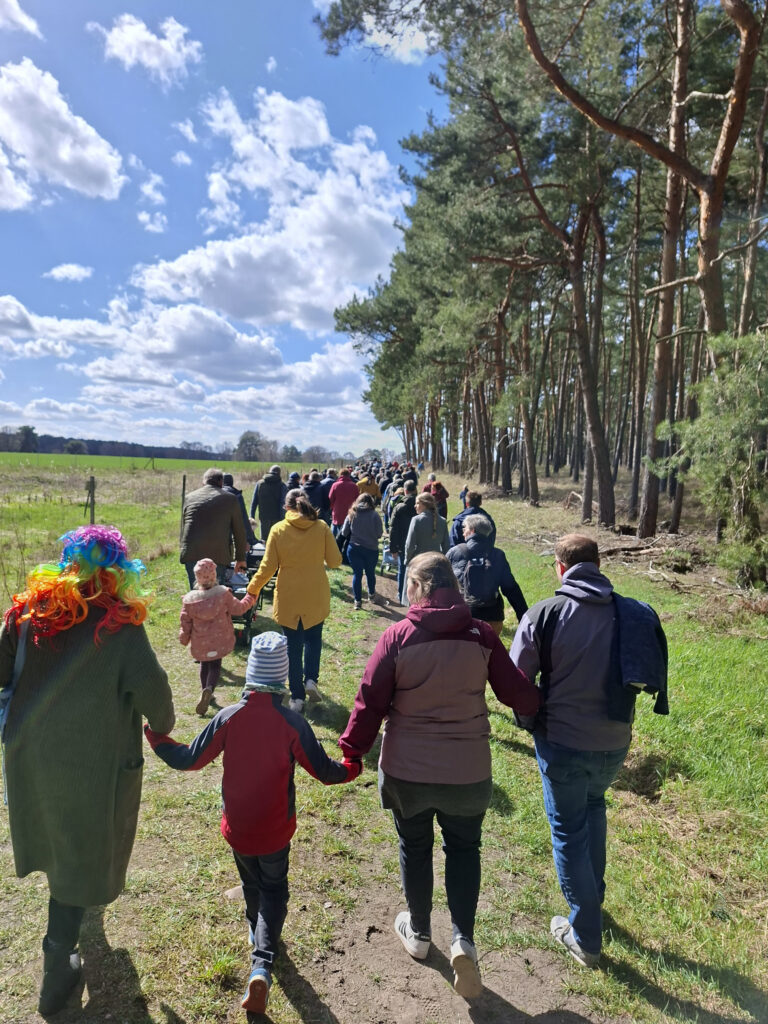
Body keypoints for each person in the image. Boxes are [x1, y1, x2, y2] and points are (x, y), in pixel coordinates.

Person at [338, 552, 540, 999]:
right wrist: (549, 698)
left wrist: (352, 752)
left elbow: (369, 701)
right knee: (465, 849)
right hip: (468, 771)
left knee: (414, 845)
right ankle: (462, 939)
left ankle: (420, 931)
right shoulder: (482, 635)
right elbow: (516, 694)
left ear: (417, 587)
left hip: (407, 770)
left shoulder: (397, 636)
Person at [0, 526, 175, 1016]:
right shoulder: (119, 625)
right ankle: (59, 967)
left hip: (29, 756)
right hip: (89, 764)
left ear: (67, 562)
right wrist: (161, 726)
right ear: (118, 571)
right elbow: (159, 705)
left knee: (56, 834)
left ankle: (65, 937)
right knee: (76, 859)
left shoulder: (26, 613)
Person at [144, 631, 362, 1016]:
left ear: (248, 675)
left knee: (251, 884)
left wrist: (156, 737)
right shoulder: (292, 723)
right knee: (275, 889)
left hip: (238, 829)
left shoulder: (228, 717)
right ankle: (262, 963)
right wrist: (351, 766)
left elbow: (189, 759)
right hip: (276, 829)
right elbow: (324, 771)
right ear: (282, 679)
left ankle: (256, 930)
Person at [510, 534, 668, 968]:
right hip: (614, 744)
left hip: (562, 743)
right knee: (594, 809)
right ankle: (592, 899)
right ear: (598, 565)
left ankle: (585, 935)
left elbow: (516, 679)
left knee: (567, 830)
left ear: (560, 568)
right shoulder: (630, 611)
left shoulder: (547, 613)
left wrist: (528, 722)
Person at [246, 489, 342, 713]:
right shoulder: (321, 527)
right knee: (313, 639)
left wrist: (252, 589)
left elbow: (268, 567)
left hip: (289, 595)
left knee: (292, 647)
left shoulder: (278, 530)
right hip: (315, 593)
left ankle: (297, 697)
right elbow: (336, 561)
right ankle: (311, 680)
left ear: (286, 507)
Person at [180, 557, 256, 716]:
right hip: (219, 640)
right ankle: (209, 689)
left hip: (201, 642)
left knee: (204, 664)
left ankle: (204, 691)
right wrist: (250, 597)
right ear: (214, 576)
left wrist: (184, 637)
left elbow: (185, 621)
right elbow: (239, 609)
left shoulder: (190, 600)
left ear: (197, 578)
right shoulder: (222, 594)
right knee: (215, 666)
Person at [447, 515, 527, 636]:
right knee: (489, 652)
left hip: (463, 617)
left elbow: (442, 585)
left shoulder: (455, 552)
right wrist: (524, 618)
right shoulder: (498, 555)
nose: (463, 532)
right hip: (493, 617)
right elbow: (511, 589)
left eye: (465, 528)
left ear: (472, 530)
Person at [180, 467, 248, 588]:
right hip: (218, 555)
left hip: (191, 552)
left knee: (196, 594)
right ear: (221, 482)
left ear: (204, 481)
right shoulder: (231, 499)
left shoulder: (189, 497)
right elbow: (239, 531)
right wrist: (241, 559)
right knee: (215, 595)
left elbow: (184, 526)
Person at [402, 494, 449, 604]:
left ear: (425, 504)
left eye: (417, 503)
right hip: (436, 564)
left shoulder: (416, 520)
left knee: (415, 595)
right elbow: (447, 546)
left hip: (418, 561)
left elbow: (409, 545)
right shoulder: (442, 521)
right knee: (432, 596)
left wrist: (407, 560)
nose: (415, 506)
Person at [341, 493, 384, 610]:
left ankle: (357, 601)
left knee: (357, 574)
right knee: (370, 573)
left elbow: (344, 533)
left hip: (354, 548)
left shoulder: (352, 513)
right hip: (371, 549)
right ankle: (371, 594)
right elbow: (379, 533)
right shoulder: (375, 515)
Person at [388, 480, 417, 603]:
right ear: (415, 490)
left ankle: (401, 595)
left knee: (402, 570)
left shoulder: (399, 507)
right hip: (417, 544)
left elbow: (393, 529)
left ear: (405, 491)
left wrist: (393, 548)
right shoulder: (421, 507)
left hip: (402, 544)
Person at [250, 465, 287, 543]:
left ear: (270, 471)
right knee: (276, 541)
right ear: (279, 473)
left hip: (264, 517)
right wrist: (283, 519)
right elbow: (283, 504)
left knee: (264, 541)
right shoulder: (282, 485)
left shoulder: (259, 483)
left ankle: (264, 555)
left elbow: (254, 502)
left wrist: (252, 517)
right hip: (277, 518)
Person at [223, 473, 257, 547]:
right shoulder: (237, 495)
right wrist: (249, 539)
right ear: (232, 482)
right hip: (232, 529)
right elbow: (244, 517)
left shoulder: (215, 493)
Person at [329, 468, 359, 542]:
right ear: (349, 475)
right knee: (348, 531)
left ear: (340, 475)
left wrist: (333, 507)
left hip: (337, 511)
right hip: (350, 512)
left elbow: (330, 497)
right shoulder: (354, 486)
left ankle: (334, 546)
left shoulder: (335, 485)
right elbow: (357, 499)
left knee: (335, 530)